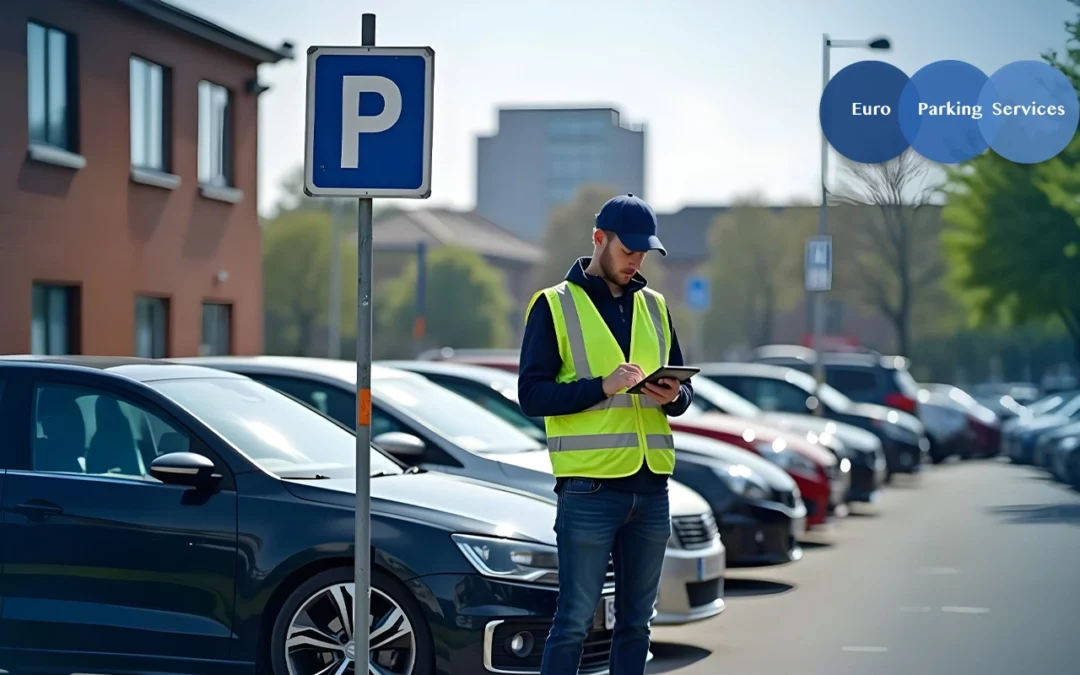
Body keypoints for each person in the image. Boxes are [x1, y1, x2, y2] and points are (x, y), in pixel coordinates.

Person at [518, 193, 695, 675]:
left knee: (637, 623)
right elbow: (531, 396)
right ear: (599, 239)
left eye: (643, 252)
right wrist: (602, 386)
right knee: (574, 622)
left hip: (651, 488)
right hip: (589, 491)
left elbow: (682, 389)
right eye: (627, 249)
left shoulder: (656, 306)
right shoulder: (553, 305)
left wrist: (672, 397)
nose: (635, 260)